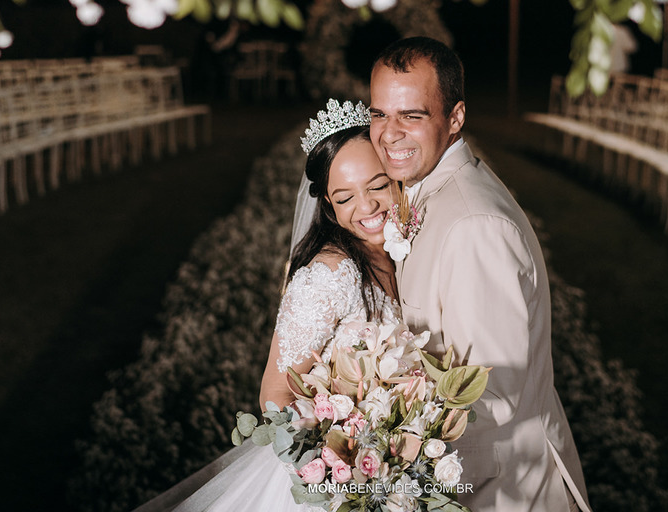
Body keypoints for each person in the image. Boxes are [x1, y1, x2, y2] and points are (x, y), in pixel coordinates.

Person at [142, 101, 400, 512]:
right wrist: (335, 472)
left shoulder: (401, 249)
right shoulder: (330, 275)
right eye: (345, 196)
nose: (366, 207)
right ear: (329, 208)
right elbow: (276, 393)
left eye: (378, 185)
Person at [369, 37, 592, 512]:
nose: (389, 134)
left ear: (455, 117)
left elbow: (493, 393)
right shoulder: (426, 188)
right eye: (379, 114)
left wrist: (374, 424)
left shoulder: (474, 226)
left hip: (504, 492)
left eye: (411, 115)